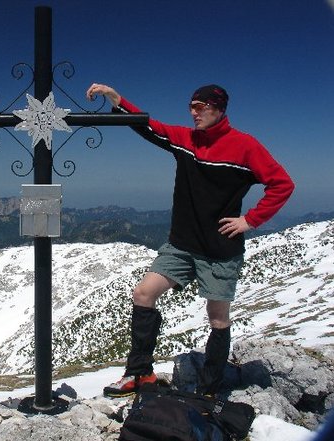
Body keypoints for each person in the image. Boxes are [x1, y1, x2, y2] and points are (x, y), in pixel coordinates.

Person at [85, 83, 295, 397]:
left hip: (218, 250)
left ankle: (209, 388)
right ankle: (140, 373)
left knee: (217, 317)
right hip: (181, 244)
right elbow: (149, 127)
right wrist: (117, 101)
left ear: (218, 107)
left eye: (199, 106)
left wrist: (250, 220)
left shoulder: (245, 146)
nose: (193, 112)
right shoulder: (186, 139)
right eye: (191, 106)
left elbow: (281, 184)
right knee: (143, 293)